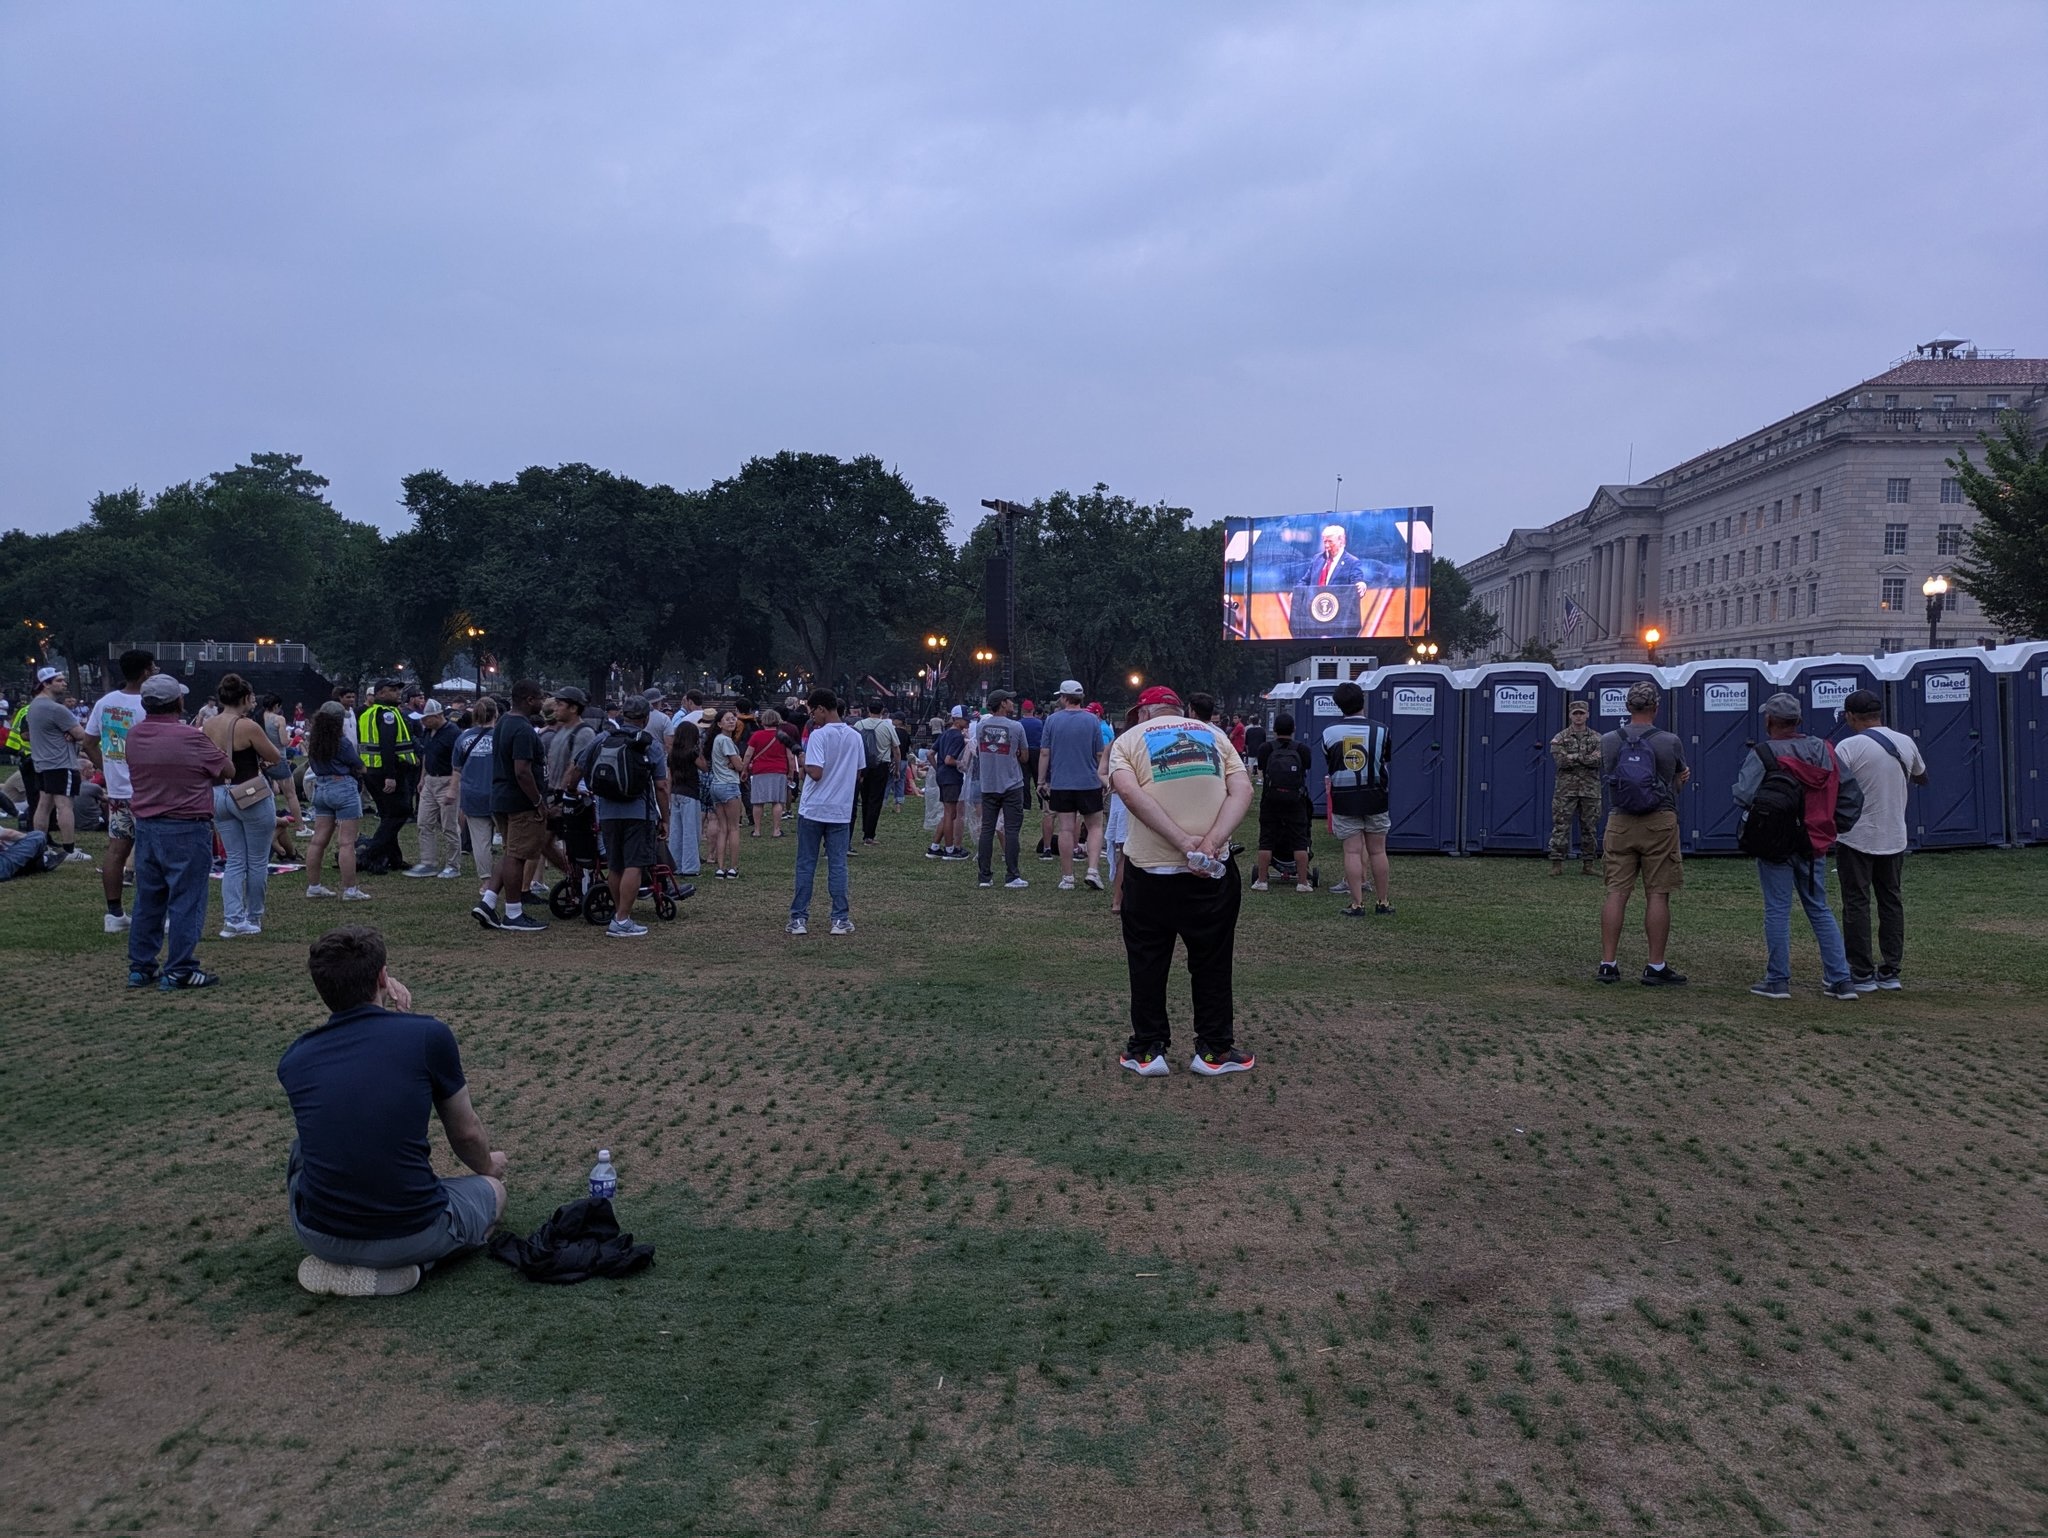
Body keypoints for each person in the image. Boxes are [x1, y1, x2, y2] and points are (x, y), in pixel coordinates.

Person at [279, 926, 508, 1297]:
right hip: (411, 1232)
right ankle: (413, 1266)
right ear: (384, 977)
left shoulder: (295, 1058)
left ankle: (345, 1263)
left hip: (320, 1235)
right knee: (494, 1193)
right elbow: (465, 1133)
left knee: (304, 1145)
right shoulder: (428, 1036)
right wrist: (488, 1168)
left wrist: (375, 989)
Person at [1108, 684, 1255, 1076]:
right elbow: (1241, 790)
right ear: (1179, 710)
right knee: (1213, 960)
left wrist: (1181, 842)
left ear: (1143, 713)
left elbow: (1128, 792)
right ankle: (1214, 1049)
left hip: (1150, 872)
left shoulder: (1128, 741)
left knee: (1146, 961)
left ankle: (1146, 1050)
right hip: (1212, 871)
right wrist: (1210, 843)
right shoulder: (1215, 735)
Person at [1733, 693, 1863, 1002]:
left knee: (1777, 908)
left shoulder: (1764, 753)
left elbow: (1743, 795)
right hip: (1813, 839)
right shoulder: (1824, 750)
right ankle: (1840, 980)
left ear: (1769, 722)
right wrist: (1834, 826)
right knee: (1819, 907)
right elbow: (1850, 794)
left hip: (1774, 841)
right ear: (1799, 721)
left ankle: (1778, 980)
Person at [125, 674, 232, 990]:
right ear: (178, 702)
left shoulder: (134, 736)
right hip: (186, 826)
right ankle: (180, 969)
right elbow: (227, 770)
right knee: (186, 900)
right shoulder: (191, 738)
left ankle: (141, 967)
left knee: (148, 900)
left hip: (146, 826)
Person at [1831, 689, 1927, 991]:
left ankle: (1861, 972)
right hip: (1894, 834)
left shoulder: (1848, 746)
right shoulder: (1905, 742)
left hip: (1855, 835)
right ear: (1878, 713)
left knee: (1856, 903)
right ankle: (1891, 970)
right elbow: (1921, 776)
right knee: (1891, 901)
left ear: (1850, 715)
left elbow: (1833, 786)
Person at [1597, 681, 1689, 985]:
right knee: (1657, 894)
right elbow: (1676, 778)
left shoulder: (1609, 739)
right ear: (1656, 707)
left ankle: (1608, 962)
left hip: (1620, 821)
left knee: (1617, 892)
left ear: (1627, 707)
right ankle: (1655, 965)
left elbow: (1608, 776)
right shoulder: (1669, 740)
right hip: (1659, 821)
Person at [567, 695, 671, 938]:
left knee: (615, 865)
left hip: (607, 812)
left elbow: (578, 767)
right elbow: (662, 786)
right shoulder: (650, 744)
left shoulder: (603, 739)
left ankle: (619, 914)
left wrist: (572, 789)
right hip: (639, 812)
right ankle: (623, 919)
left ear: (623, 715)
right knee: (634, 865)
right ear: (645, 718)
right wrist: (664, 818)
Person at [201, 673, 283, 938]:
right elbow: (275, 755)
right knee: (257, 860)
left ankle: (232, 919)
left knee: (234, 860)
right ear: (245, 698)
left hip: (218, 793)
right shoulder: (247, 726)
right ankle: (253, 916)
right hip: (248, 792)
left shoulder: (208, 723)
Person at [83, 649, 153, 932]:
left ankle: (114, 914)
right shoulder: (149, 705)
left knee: (116, 850)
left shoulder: (105, 702)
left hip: (119, 793)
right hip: (147, 791)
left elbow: (88, 743)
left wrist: (108, 772)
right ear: (146, 672)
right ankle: (154, 915)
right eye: (154, 667)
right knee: (152, 854)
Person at [474, 680, 549, 933]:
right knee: (517, 856)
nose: (542, 702)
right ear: (529, 699)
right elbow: (522, 771)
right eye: (540, 697)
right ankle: (513, 913)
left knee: (510, 852)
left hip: (501, 797)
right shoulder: (524, 730)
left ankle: (488, 901)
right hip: (521, 802)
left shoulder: (504, 721)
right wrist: (537, 801)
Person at [787, 690, 862, 936]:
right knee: (838, 865)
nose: (812, 717)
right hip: (840, 810)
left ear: (821, 709)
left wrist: (803, 759)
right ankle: (840, 919)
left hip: (813, 808)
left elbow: (816, 772)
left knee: (806, 863)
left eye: (812, 711)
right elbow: (859, 771)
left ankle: (798, 919)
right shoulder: (855, 736)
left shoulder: (819, 736)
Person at [1318, 682, 1393, 917]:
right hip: (1375, 795)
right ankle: (1382, 902)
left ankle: (1357, 904)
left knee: (1351, 852)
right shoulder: (1382, 730)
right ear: (1363, 701)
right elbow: (1386, 758)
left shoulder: (1329, 732)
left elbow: (1329, 760)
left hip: (1345, 797)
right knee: (1378, 851)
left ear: (1338, 705)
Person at [1039, 681, 1108, 891]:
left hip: (1061, 782)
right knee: (1095, 826)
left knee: (1067, 829)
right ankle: (1093, 870)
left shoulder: (1052, 720)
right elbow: (1099, 754)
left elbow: (1044, 752)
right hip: (1089, 782)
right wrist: (1103, 777)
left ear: (1063, 697)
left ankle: (1068, 877)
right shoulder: (1092, 721)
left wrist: (1041, 780)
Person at [303, 702, 372, 902]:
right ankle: (350, 890)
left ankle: (314, 886)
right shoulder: (341, 742)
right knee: (346, 843)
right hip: (342, 787)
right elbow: (359, 766)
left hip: (321, 788)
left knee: (318, 840)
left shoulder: (313, 741)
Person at [966, 690, 1031, 889]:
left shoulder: (981, 726)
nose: (1012, 702)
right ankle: (1012, 876)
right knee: (1011, 830)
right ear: (1003, 704)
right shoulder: (1016, 726)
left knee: (987, 829)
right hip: (1012, 784)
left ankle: (984, 876)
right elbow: (1025, 757)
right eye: (1009, 700)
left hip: (988, 783)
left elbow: (980, 750)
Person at [26, 665, 92, 861]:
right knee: (65, 806)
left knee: (44, 805)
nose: (64, 684)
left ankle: (40, 846)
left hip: (42, 762)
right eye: (59, 680)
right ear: (45, 684)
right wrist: (74, 734)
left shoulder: (33, 706)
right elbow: (81, 735)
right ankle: (70, 850)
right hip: (61, 763)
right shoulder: (55, 709)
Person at [354, 679, 418, 875]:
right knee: (399, 813)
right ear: (380, 694)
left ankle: (394, 858)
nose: (398, 693)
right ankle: (370, 855)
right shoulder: (388, 715)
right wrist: (391, 775)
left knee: (388, 815)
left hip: (371, 770)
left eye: (398, 690)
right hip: (389, 770)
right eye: (392, 690)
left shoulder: (367, 714)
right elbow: (387, 745)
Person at [1250, 713, 1314, 893]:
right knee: (1300, 839)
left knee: (1266, 839)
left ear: (1274, 729)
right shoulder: (1302, 749)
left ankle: (1262, 880)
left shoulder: (1265, 748)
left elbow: (1262, 767)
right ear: (1293, 729)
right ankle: (1302, 882)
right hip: (1296, 800)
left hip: (1270, 799)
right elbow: (1306, 768)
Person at [405, 700, 464, 879]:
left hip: (447, 780)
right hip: (430, 781)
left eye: (426, 719)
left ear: (437, 716)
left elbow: (458, 764)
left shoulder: (453, 734)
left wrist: (453, 789)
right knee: (424, 823)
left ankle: (453, 865)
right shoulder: (428, 731)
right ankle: (428, 862)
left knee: (449, 826)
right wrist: (423, 778)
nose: (422, 722)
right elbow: (426, 755)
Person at [1547, 698, 1603, 876]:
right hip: (1566, 790)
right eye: (1575, 713)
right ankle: (1557, 863)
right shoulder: (1560, 737)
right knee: (1561, 826)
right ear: (1570, 715)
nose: (1578, 716)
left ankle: (1588, 864)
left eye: (1581, 713)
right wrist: (1584, 757)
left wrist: (1574, 757)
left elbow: (1599, 760)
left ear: (1587, 715)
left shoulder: (1597, 738)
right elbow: (1561, 761)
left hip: (1590, 790)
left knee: (1590, 827)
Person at [450, 696, 499, 884]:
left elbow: (457, 767)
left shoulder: (464, 738)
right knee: (510, 842)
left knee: (481, 842)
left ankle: (486, 883)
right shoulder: (501, 736)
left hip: (472, 794)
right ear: (496, 713)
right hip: (498, 793)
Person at [702, 708, 745, 879]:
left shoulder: (716, 740)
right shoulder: (726, 741)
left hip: (716, 786)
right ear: (719, 723)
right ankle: (733, 867)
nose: (732, 721)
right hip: (729, 785)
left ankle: (720, 867)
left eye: (733, 718)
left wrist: (733, 764)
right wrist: (737, 764)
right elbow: (739, 765)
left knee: (722, 828)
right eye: (727, 719)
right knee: (734, 828)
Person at [852, 700, 900, 845]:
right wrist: (897, 768)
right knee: (875, 799)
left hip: (862, 766)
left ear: (867, 709)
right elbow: (896, 750)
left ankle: (862, 827)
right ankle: (869, 834)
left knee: (864, 798)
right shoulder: (887, 725)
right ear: (883, 711)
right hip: (881, 765)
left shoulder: (859, 725)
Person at [741, 708, 790, 838]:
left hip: (760, 770)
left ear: (763, 721)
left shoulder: (756, 736)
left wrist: (745, 769)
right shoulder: (783, 735)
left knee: (758, 802)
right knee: (778, 801)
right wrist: (790, 773)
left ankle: (757, 830)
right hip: (779, 770)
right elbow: (790, 756)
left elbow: (748, 755)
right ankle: (776, 830)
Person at [929, 707, 968, 859]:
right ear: (957, 720)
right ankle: (950, 849)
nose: (968, 721)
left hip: (942, 776)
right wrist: (961, 764)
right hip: (952, 777)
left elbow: (931, 753)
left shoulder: (944, 734)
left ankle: (935, 846)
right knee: (951, 813)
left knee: (947, 812)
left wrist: (938, 769)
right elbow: (949, 760)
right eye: (965, 719)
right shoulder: (957, 736)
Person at [667, 718, 704, 878]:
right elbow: (704, 766)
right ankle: (690, 867)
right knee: (691, 831)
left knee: (676, 831)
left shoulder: (672, 754)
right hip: (690, 793)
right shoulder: (692, 753)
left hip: (675, 792)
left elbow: (669, 777)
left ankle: (675, 864)